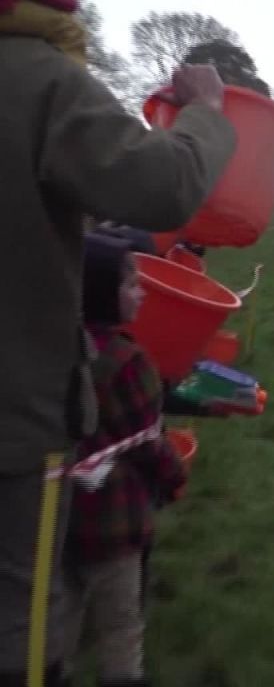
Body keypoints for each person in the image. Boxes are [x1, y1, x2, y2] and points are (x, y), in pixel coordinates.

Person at [0, 0, 236, 680]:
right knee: (23, 621)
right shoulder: (37, 77)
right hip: (16, 419)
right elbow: (160, 185)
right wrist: (206, 113)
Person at [64, 235, 188, 687]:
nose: (143, 291)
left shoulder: (60, 347)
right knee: (122, 627)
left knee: (60, 622)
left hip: (58, 514)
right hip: (114, 523)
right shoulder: (128, 361)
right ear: (102, 291)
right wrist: (175, 478)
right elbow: (147, 442)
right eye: (132, 283)